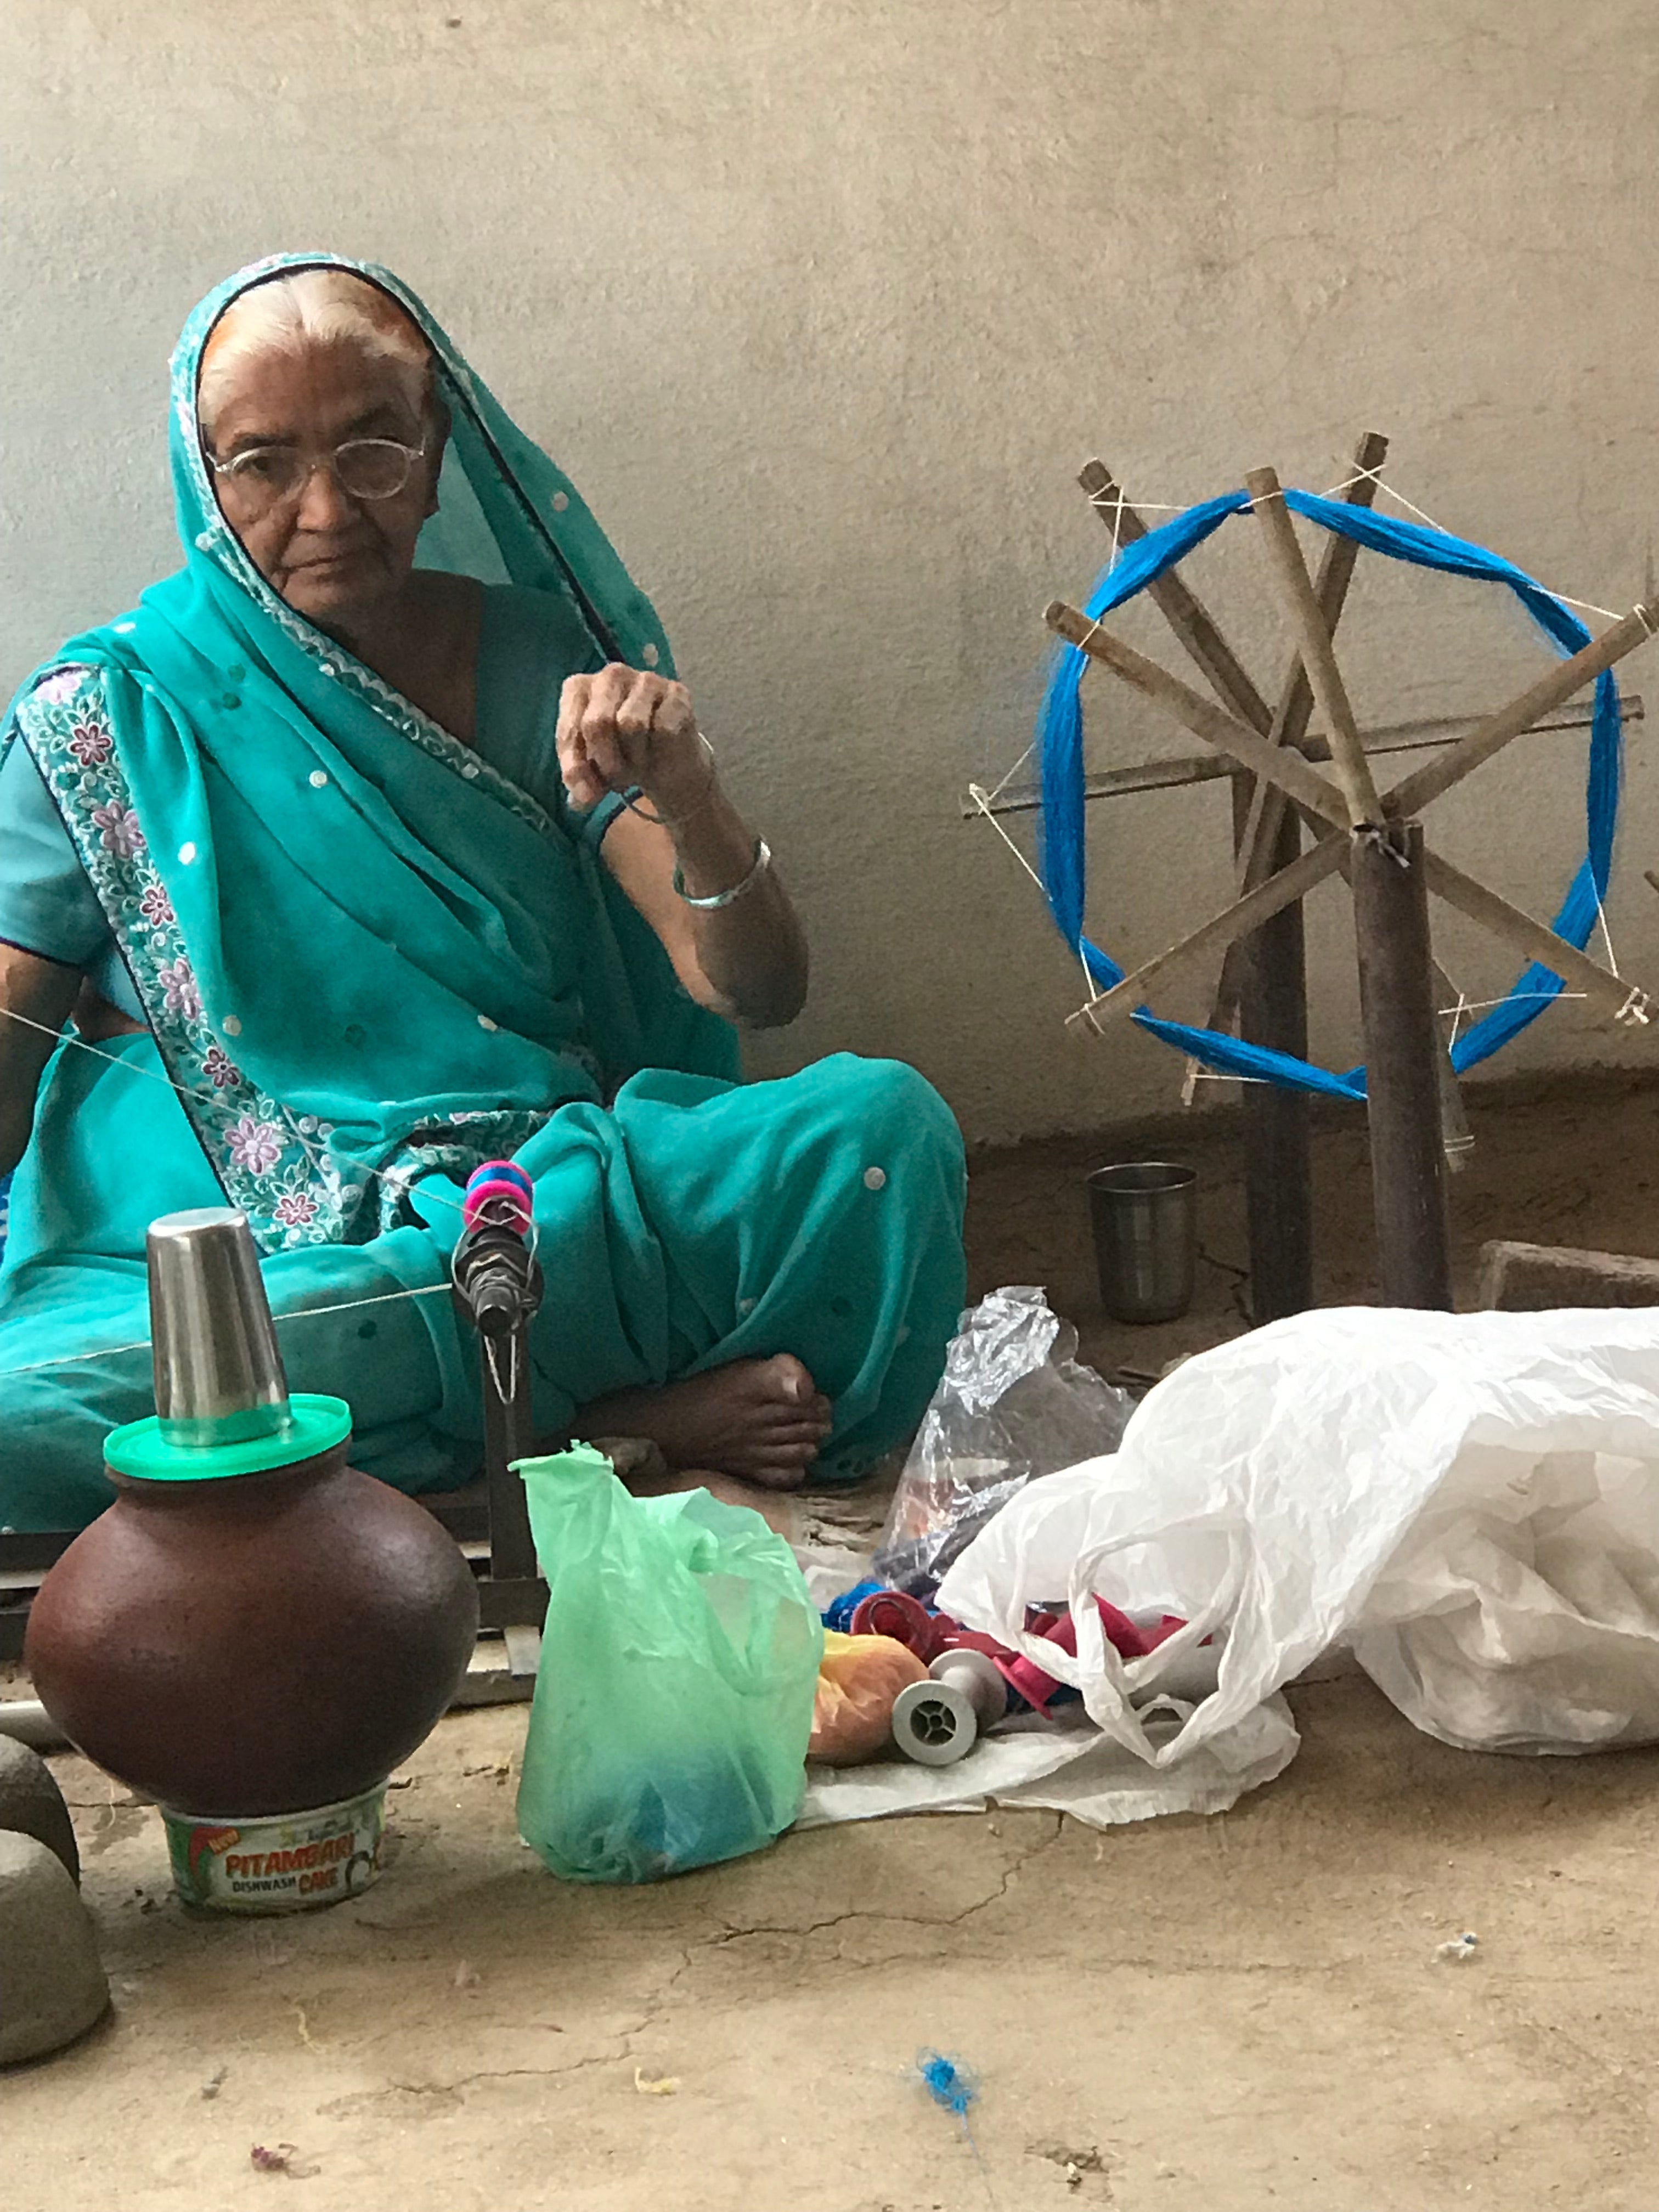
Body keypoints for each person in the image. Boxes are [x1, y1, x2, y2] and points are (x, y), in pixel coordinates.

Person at [0, 253, 966, 1531]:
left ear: (439, 448)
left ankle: (448, 1451)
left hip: (544, 1204)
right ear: (202, 473)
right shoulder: (104, 720)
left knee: (877, 1136)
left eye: (373, 449)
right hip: (244, 1263)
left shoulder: (535, 663)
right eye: (265, 461)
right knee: (60, 1396)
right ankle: (589, 1432)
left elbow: (758, 989)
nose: (329, 508)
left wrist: (694, 798)